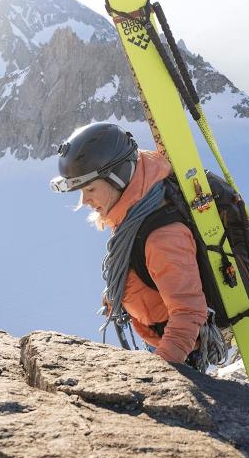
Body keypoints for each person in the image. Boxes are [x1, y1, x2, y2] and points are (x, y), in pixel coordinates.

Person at [50, 122, 214, 366]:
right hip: (158, 335)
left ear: (118, 177)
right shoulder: (133, 204)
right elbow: (136, 260)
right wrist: (121, 292)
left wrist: (161, 373)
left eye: (90, 189)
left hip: (177, 348)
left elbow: (189, 313)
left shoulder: (163, 238)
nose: (84, 200)